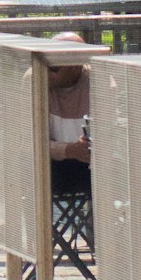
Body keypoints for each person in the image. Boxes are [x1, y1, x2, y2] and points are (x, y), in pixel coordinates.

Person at [48, 30, 91, 194]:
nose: (45, 72)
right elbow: (27, 143)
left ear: (75, 67)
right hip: (49, 165)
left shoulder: (100, 81)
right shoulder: (33, 79)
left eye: (53, 69)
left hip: (91, 163)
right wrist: (68, 150)